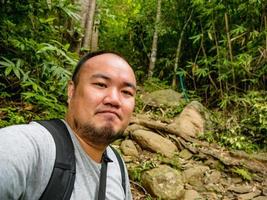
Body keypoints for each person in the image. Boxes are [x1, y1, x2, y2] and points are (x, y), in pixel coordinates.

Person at [0, 51, 136, 200]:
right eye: (101, 84)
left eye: (126, 92)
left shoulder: (117, 165)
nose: (114, 100)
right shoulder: (30, 146)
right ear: (71, 91)